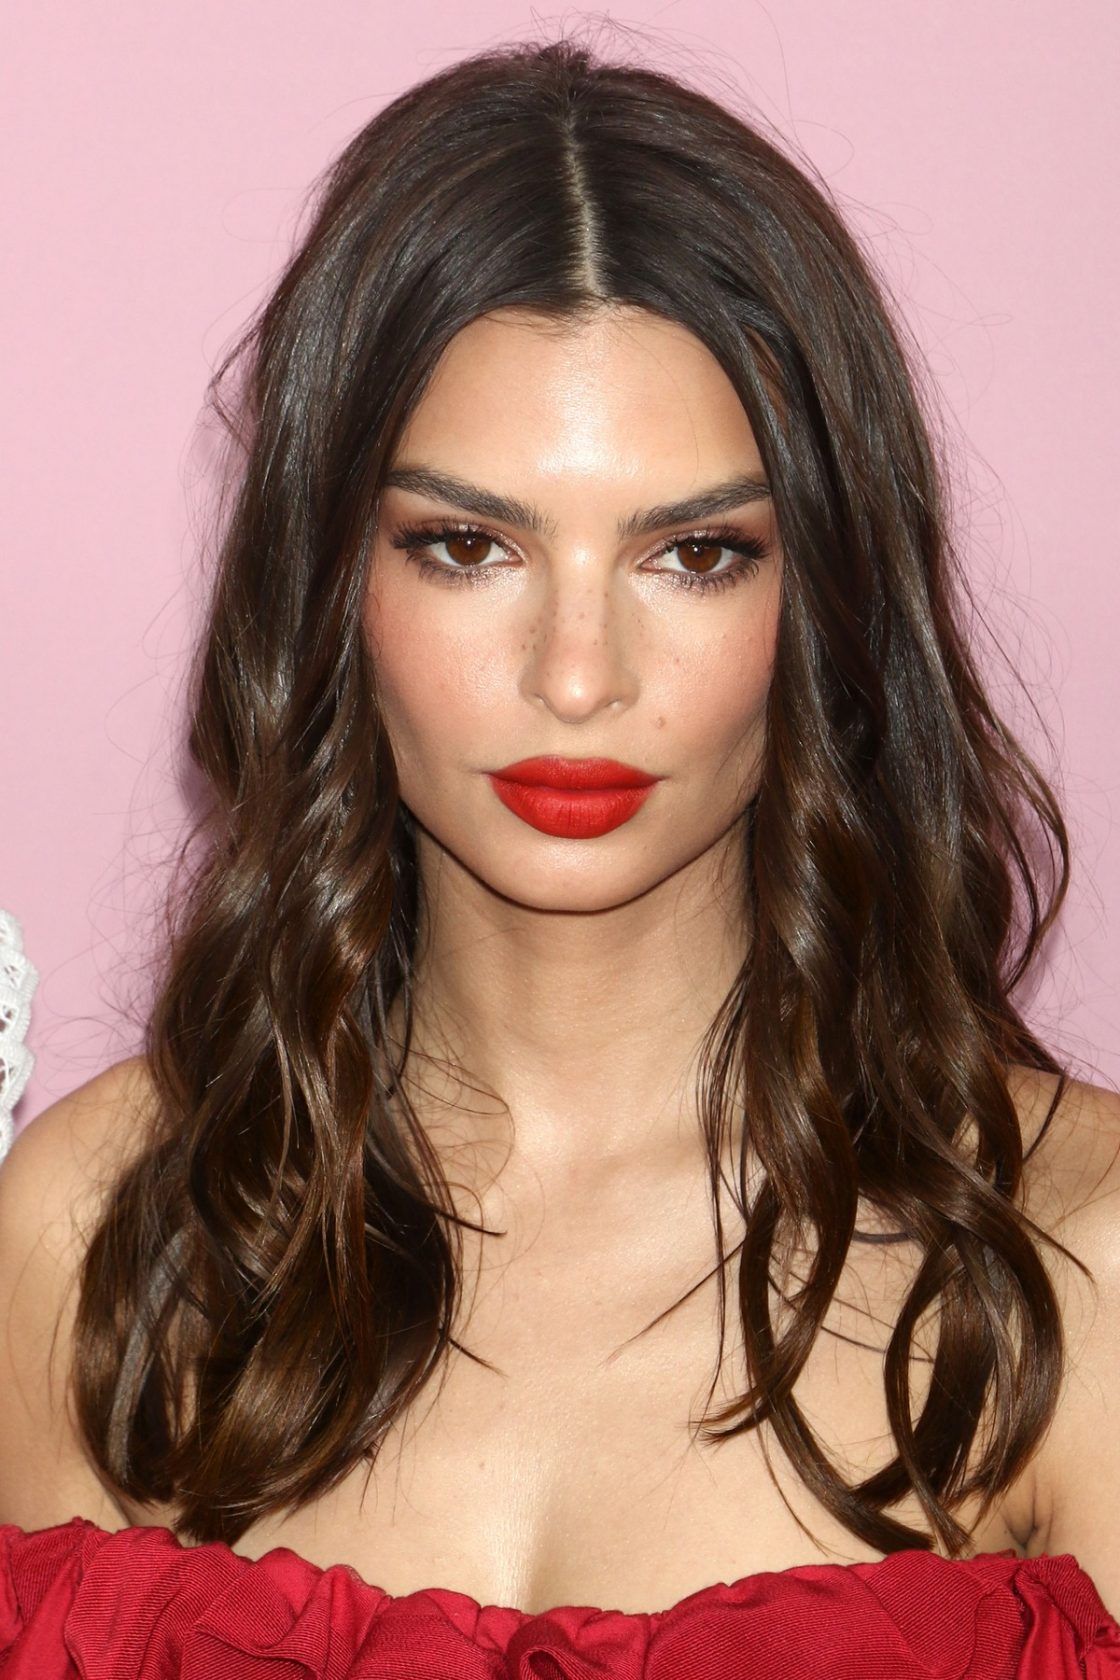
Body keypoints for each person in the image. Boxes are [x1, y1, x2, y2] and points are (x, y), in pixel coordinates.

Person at [1, 31, 1118, 1678]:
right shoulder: (100, 1242)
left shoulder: (1080, 1261)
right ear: (330, 584)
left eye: (695, 553)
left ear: (826, 597)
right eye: (467, 546)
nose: (577, 676)